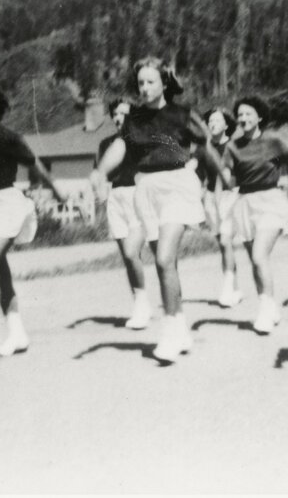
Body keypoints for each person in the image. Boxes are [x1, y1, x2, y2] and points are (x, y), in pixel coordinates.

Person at [90, 57, 224, 363]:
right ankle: (180, 328)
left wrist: (221, 179)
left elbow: (206, 146)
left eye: (151, 82)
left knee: (163, 259)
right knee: (168, 265)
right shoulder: (135, 118)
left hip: (177, 185)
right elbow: (121, 148)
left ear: (165, 83)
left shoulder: (182, 113)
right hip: (146, 190)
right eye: (141, 83)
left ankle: (168, 332)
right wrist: (100, 172)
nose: (145, 88)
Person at [0, 80, 65, 364]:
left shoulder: (7, 136)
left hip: (6, 204)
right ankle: (17, 333)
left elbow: (35, 165)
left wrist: (57, 192)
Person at [222, 96, 288, 333]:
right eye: (240, 114)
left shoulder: (273, 141)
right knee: (255, 260)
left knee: (260, 256)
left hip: (271, 201)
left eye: (248, 113)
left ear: (259, 117)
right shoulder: (233, 146)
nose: (243, 118)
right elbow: (228, 179)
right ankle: (268, 305)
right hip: (245, 204)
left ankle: (265, 309)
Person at [96, 99, 150, 329]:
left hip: (138, 196)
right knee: (127, 258)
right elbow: (101, 173)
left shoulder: (141, 140)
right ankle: (140, 303)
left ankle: (149, 302)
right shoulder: (106, 143)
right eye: (115, 114)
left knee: (132, 253)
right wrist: (100, 196)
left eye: (124, 114)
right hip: (116, 198)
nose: (119, 118)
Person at [197, 106, 243, 307]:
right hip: (210, 199)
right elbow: (198, 175)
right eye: (209, 121)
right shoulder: (203, 148)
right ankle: (234, 287)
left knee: (226, 241)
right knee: (224, 245)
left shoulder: (233, 147)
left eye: (217, 120)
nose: (212, 123)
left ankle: (227, 289)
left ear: (226, 124)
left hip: (230, 197)